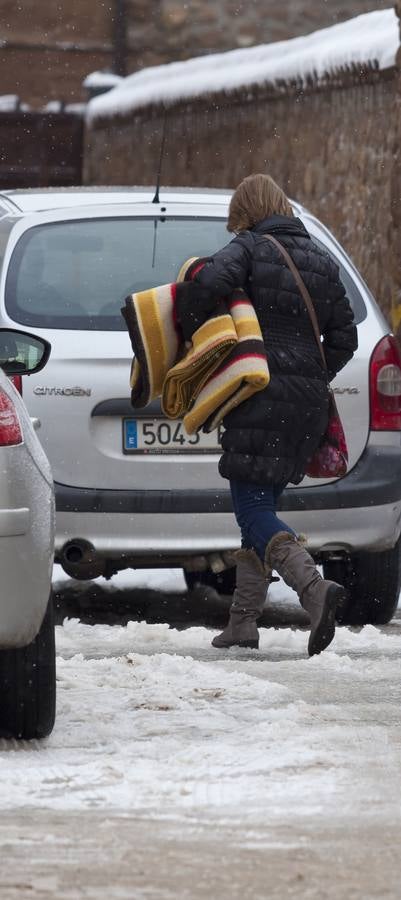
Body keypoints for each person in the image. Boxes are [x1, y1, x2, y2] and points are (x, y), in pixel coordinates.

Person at [187, 174, 358, 655]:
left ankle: (313, 589)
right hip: (308, 402)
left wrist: (204, 332)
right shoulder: (321, 259)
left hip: (260, 391)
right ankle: (242, 623)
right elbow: (345, 337)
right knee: (258, 510)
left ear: (247, 212)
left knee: (253, 509)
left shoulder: (249, 248)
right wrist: (309, 372)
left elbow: (208, 284)